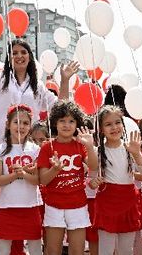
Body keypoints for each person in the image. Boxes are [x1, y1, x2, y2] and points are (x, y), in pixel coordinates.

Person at [0, 40, 78, 151]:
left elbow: (60, 107)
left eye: (23, 52)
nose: (19, 56)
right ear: (9, 58)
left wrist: (65, 81)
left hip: (27, 148)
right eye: (14, 53)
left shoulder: (37, 85)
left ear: (30, 57)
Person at [38, 101, 97, 255]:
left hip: (78, 205)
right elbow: (43, 180)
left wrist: (90, 147)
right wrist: (55, 169)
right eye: (62, 120)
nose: (66, 125)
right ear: (55, 123)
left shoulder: (81, 145)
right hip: (53, 205)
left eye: (71, 121)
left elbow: (94, 167)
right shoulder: (47, 147)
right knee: (52, 250)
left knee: (77, 251)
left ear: (77, 123)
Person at [90, 105, 142, 255]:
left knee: (126, 250)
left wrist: (137, 154)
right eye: (108, 124)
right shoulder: (98, 151)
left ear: (123, 124)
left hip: (128, 202)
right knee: (106, 250)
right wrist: (93, 182)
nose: (114, 127)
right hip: (107, 203)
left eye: (117, 122)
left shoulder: (130, 147)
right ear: (101, 129)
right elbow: (91, 180)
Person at [0, 105, 42, 255]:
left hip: (31, 206)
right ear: (8, 124)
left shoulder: (35, 150)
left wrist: (24, 174)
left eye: (26, 123)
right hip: (7, 207)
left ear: (30, 126)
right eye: (16, 122)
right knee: (4, 247)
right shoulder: (0, 149)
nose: (21, 126)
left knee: (35, 245)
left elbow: (38, 180)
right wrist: (15, 174)